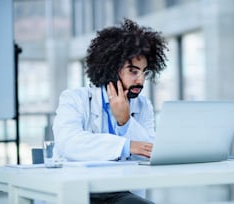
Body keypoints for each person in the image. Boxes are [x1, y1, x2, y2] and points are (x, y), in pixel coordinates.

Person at [52, 19, 168, 204]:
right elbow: (70, 143)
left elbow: (150, 152)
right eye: (133, 71)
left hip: (120, 191)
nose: (140, 80)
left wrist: (126, 121)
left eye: (144, 72)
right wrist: (126, 145)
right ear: (112, 69)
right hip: (79, 189)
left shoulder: (143, 105)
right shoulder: (74, 99)